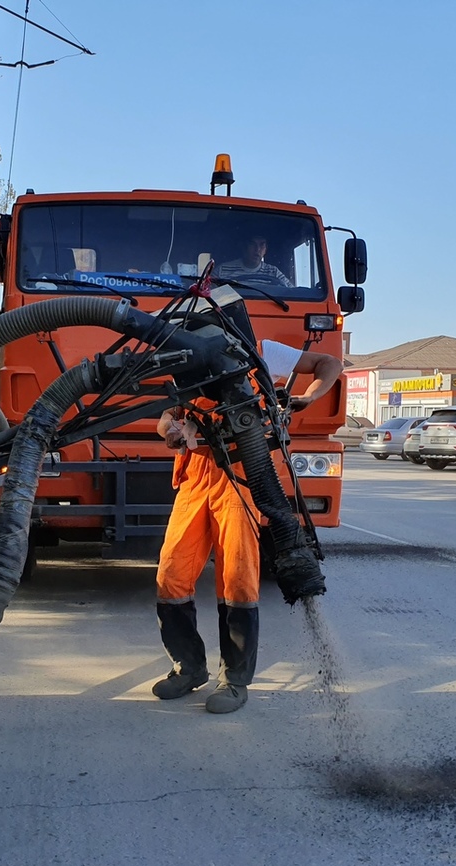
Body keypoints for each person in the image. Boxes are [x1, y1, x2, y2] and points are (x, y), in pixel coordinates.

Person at [152, 339, 343, 714]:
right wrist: (169, 431)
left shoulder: (261, 351)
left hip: (241, 477)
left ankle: (235, 680)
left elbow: (329, 363)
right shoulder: (187, 353)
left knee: (238, 580)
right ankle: (188, 668)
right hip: (195, 477)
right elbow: (167, 416)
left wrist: (308, 397)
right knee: (171, 576)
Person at [215, 235, 292, 287]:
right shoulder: (222, 270)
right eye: (252, 244)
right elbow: (206, 294)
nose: (257, 249)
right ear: (244, 247)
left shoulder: (274, 272)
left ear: (265, 250)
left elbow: (292, 292)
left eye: (262, 245)